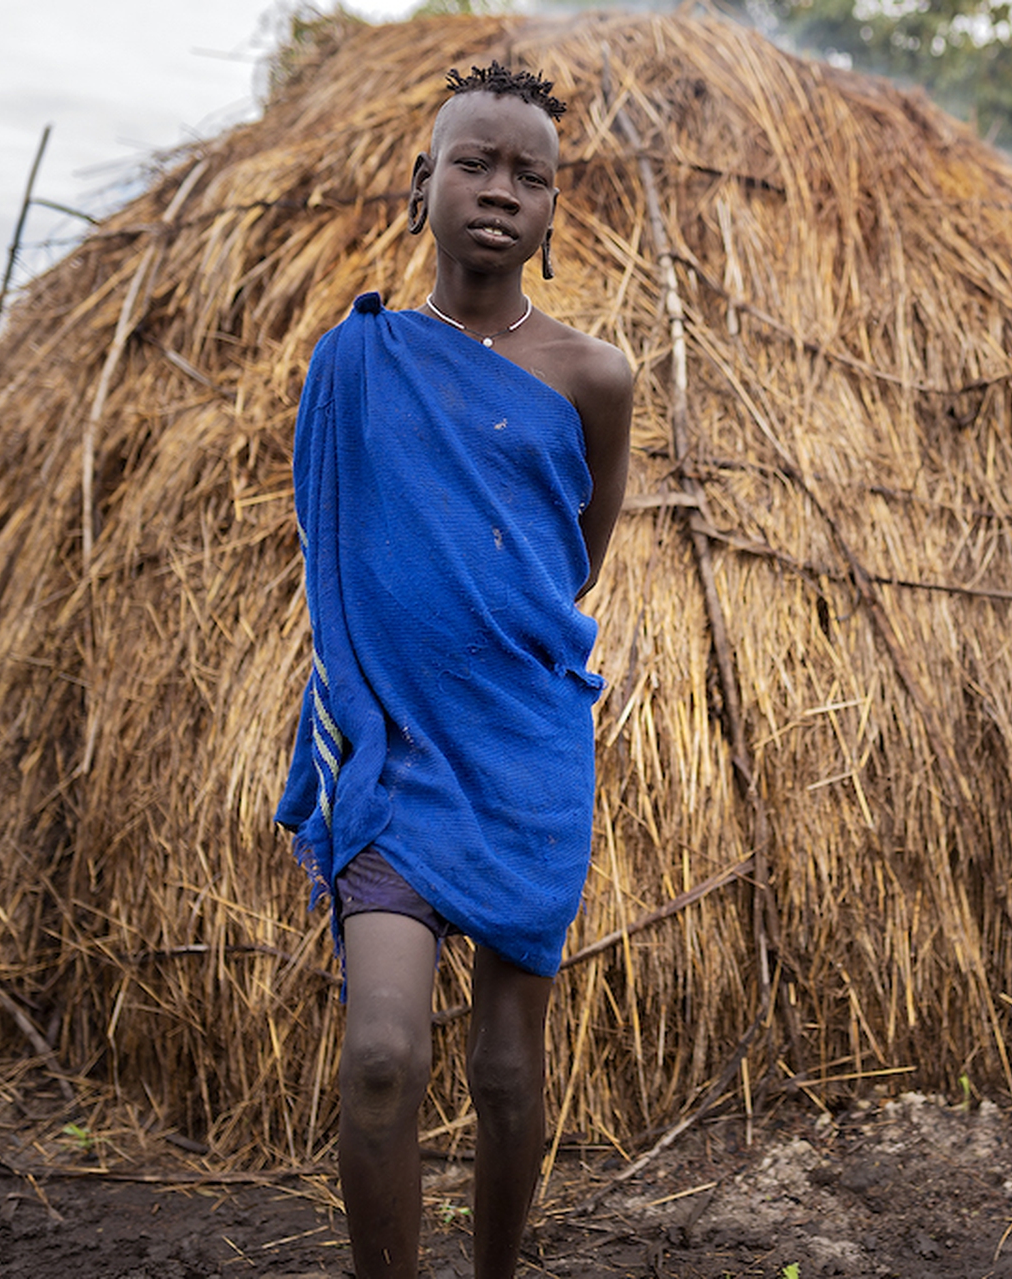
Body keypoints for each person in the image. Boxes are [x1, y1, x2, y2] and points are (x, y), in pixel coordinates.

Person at [275, 63, 633, 1279]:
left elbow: (572, 556)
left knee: (504, 1066)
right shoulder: (354, 359)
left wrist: (487, 622)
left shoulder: (595, 376)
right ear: (420, 182)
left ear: (552, 214)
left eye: (530, 176)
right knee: (380, 1050)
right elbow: (329, 534)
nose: (500, 190)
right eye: (474, 163)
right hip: (393, 745)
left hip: (523, 743)